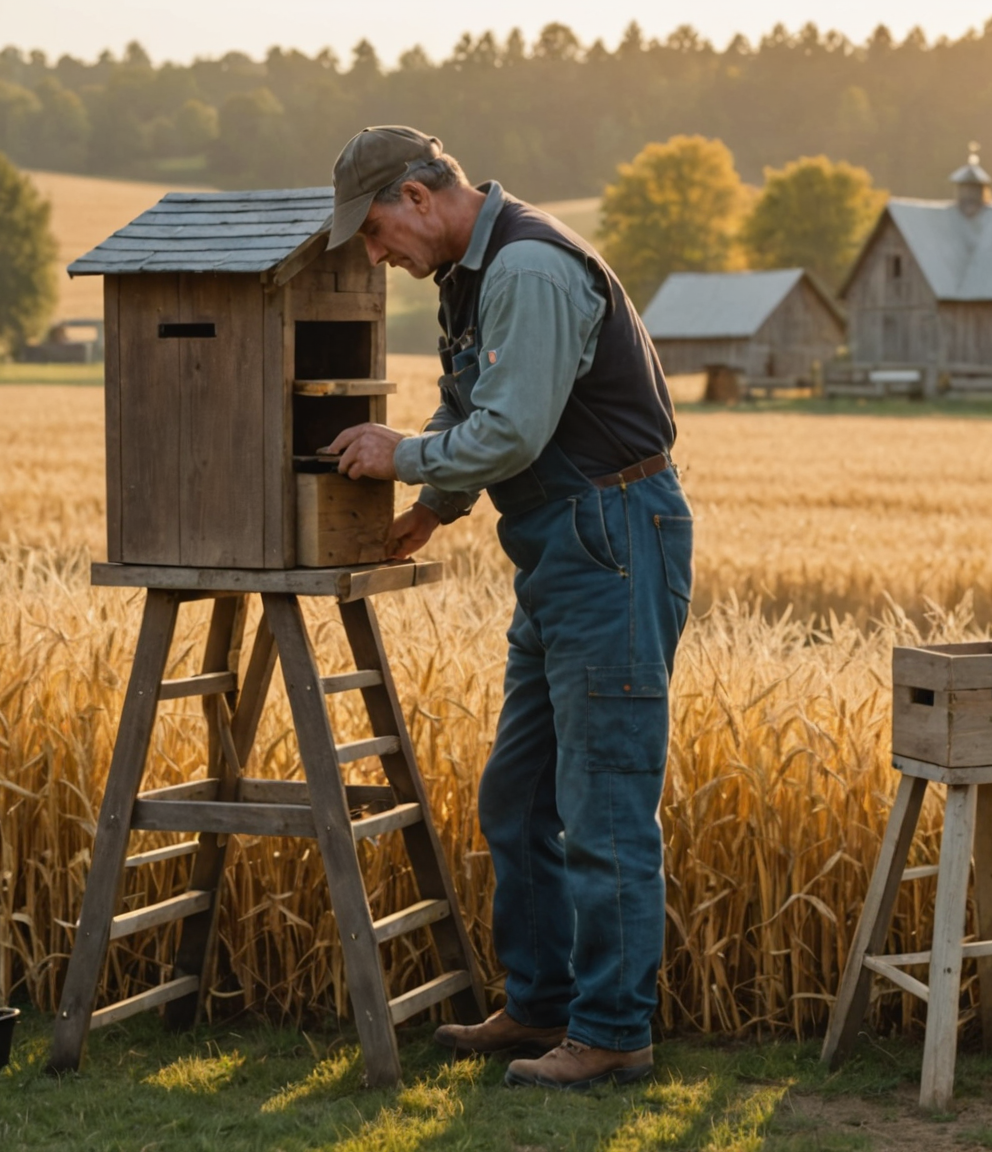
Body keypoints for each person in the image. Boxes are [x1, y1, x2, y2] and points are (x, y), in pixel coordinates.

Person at [318, 126, 693, 1091]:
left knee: (603, 805)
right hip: (564, 547)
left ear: (415, 195)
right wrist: (433, 507)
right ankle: (540, 1007)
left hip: (606, 540)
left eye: (372, 233)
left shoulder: (524, 268)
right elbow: (472, 403)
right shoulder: (473, 275)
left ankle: (612, 1032)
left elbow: (515, 430)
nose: (376, 258)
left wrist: (402, 456)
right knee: (518, 795)